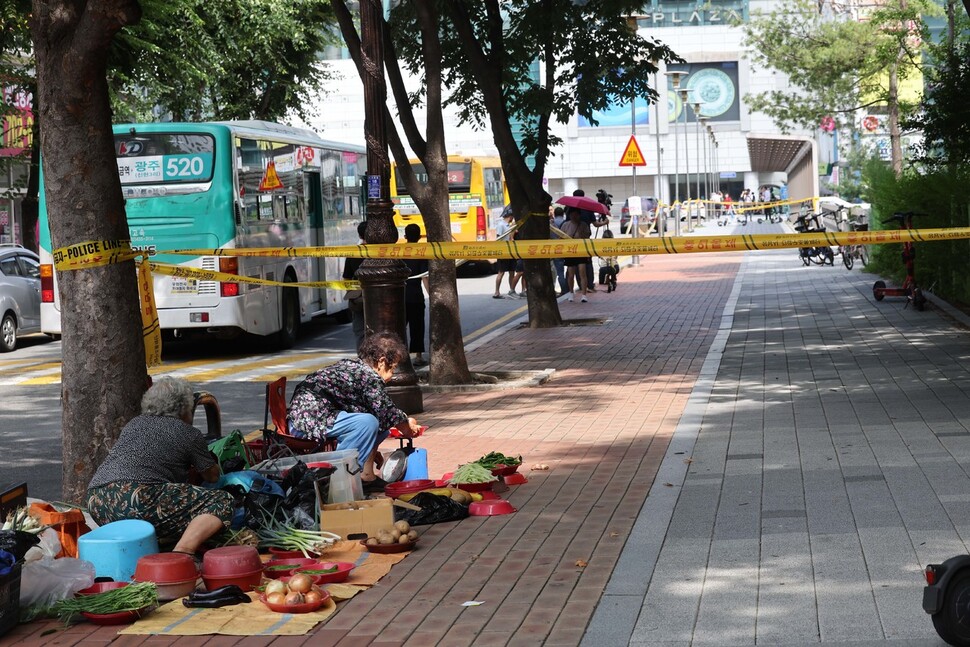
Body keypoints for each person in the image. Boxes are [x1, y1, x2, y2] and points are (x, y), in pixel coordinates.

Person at [85, 378, 234, 556]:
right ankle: (182, 553)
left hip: (98, 500)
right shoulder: (188, 432)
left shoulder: (135, 423)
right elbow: (212, 476)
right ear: (183, 407)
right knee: (222, 501)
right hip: (140, 498)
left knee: (168, 509)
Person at [287, 332, 419, 491]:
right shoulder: (368, 376)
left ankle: (366, 476)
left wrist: (369, 444)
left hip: (315, 415)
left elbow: (381, 413)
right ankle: (337, 479)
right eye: (393, 368)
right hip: (308, 420)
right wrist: (405, 423)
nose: (392, 375)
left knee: (377, 424)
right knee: (368, 423)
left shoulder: (356, 368)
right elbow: (386, 410)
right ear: (382, 362)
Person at [402, 224, 430, 366]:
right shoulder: (421, 253)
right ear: (419, 237)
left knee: (400, 327)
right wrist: (431, 293)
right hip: (416, 297)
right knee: (417, 327)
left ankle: (401, 356)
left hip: (400, 297)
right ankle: (418, 356)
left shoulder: (398, 252)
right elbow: (425, 277)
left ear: (405, 236)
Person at [343, 222, 368, 348]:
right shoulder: (381, 251)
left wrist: (352, 294)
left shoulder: (353, 253)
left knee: (360, 332)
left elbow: (346, 277)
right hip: (377, 298)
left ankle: (362, 359)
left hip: (358, 298)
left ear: (359, 234)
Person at [561, 207, 591, 302]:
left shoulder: (583, 225)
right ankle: (571, 293)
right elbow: (561, 237)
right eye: (572, 214)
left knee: (582, 272)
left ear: (579, 215)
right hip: (570, 252)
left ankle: (584, 295)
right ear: (569, 215)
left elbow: (587, 236)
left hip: (581, 251)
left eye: (576, 214)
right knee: (570, 274)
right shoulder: (565, 225)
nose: (574, 216)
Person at [493, 209, 521, 298]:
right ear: (510, 216)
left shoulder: (509, 225)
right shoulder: (501, 225)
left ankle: (511, 290)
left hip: (510, 251)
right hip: (503, 251)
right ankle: (497, 292)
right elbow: (498, 238)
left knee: (511, 271)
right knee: (501, 272)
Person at [550, 207, 568, 295]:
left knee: (555, 272)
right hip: (563, 249)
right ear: (563, 214)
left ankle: (555, 290)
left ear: (554, 214)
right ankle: (565, 290)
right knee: (562, 272)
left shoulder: (551, 223)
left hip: (552, 249)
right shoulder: (565, 223)